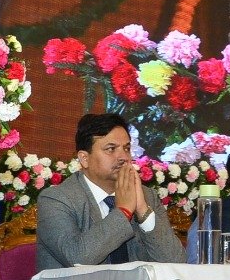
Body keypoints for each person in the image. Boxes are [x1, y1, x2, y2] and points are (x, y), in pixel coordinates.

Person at [36, 113, 185, 269]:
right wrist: (123, 211)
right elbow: (77, 258)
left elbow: (176, 263)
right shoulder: (56, 199)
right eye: (111, 149)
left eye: (127, 148)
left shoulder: (147, 196)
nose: (123, 157)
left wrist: (143, 212)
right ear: (84, 158)